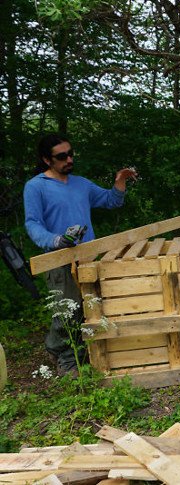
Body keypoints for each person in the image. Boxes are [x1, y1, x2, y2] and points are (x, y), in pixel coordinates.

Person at [24, 134, 138, 376]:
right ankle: (66, 360)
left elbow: (110, 201)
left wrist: (119, 183)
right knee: (69, 309)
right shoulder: (36, 187)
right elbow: (33, 224)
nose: (69, 159)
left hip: (87, 256)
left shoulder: (81, 184)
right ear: (47, 159)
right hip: (58, 259)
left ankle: (77, 351)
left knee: (90, 306)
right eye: (61, 156)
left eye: (70, 153)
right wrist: (56, 240)